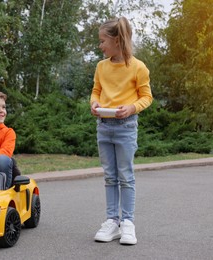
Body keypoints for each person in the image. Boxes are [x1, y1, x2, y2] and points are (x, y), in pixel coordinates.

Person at [90, 17, 153, 245]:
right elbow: (96, 90)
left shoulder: (138, 67)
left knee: (126, 176)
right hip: (104, 127)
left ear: (116, 40)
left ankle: (128, 223)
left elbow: (146, 97)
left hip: (126, 128)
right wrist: (94, 103)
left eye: (102, 41)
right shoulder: (101, 66)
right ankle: (112, 222)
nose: (100, 46)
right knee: (110, 177)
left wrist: (132, 107)